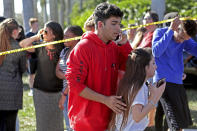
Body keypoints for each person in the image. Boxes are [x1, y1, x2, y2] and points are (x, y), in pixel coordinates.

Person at [65, 2, 132, 131]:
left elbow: (131, 67)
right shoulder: (83, 47)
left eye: (119, 24)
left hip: (110, 122)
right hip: (85, 124)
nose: (119, 29)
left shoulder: (114, 47)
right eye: (114, 24)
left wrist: (125, 45)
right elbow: (74, 85)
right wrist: (106, 100)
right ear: (100, 25)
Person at [152, 17, 197, 131]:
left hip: (176, 80)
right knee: (173, 118)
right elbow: (156, 52)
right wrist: (170, 31)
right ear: (177, 27)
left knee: (168, 114)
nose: (181, 41)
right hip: (161, 80)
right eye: (181, 37)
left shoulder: (185, 38)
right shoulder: (160, 32)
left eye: (185, 39)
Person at [19, 21, 64, 131]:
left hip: (57, 93)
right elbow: (22, 45)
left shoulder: (62, 49)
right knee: (42, 125)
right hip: (40, 92)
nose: (43, 32)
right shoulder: (40, 46)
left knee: (57, 125)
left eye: (46, 31)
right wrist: (36, 36)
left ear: (54, 35)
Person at [108, 48, 165, 131]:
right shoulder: (139, 87)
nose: (156, 67)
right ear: (145, 67)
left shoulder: (136, 84)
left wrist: (154, 95)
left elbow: (138, 107)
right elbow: (137, 116)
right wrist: (154, 98)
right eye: (153, 63)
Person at [0, 18, 26, 131]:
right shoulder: (18, 47)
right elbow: (23, 68)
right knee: (10, 125)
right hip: (12, 91)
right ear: (14, 31)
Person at [57, 25, 83, 131]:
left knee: (76, 126)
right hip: (66, 92)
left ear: (76, 38)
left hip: (75, 94)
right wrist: (69, 76)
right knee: (69, 126)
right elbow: (57, 71)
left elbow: (76, 77)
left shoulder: (80, 52)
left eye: (67, 36)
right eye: (64, 36)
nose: (64, 38)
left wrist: (64, 94)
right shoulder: (64, 51)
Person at [25, 18, 39, 96]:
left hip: (40, 57)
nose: (36, 25)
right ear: (31, 25)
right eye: (35, 24)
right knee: (31, 74)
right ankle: (31, 89)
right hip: (31, 58)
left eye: (37, 23)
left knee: (41, 73)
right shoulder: (27, 35)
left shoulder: (40, 34)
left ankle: (39, 88)